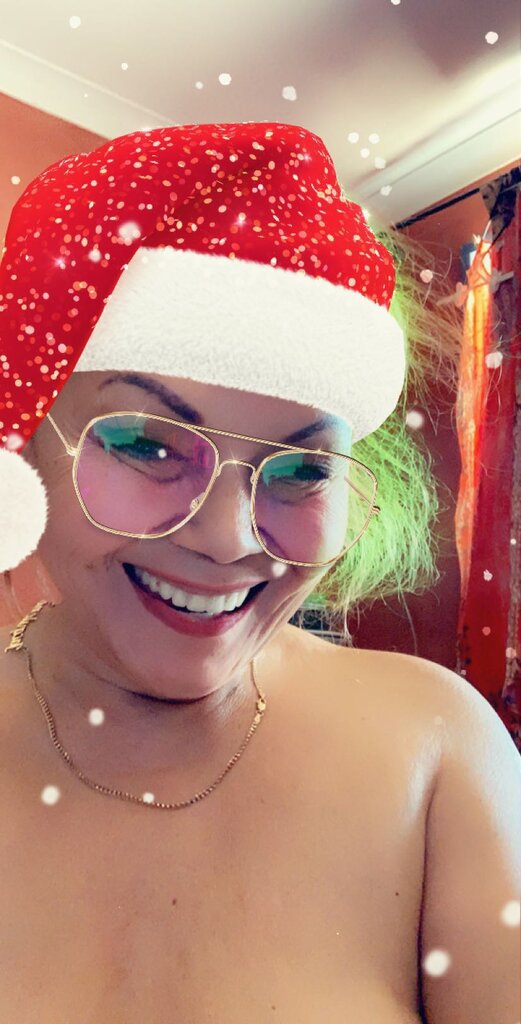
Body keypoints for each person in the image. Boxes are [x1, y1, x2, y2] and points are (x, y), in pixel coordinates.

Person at [0, 121, 519, 1023]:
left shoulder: (438, 747)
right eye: (146, 443)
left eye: (303, 468)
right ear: (23, 443)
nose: (228, 538)